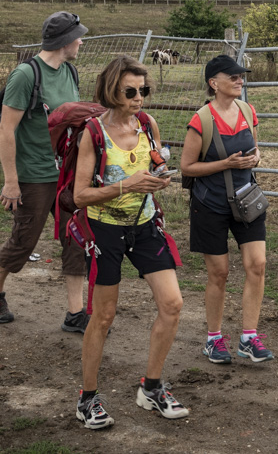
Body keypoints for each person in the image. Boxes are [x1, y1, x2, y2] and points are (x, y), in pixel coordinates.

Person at [74, 55, 186, 429]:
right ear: (112, 90)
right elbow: (80, 196)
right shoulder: (92, 133)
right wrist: (128, 184)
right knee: (103, 316)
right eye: (131, 91)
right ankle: (87, 399)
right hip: (104, 228)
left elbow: (153, 167)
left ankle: (150, 388)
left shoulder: (147, 124)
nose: (140, 97)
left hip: (145, 223)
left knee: (172, 304)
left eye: (145, 90)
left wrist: (158, 179)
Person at [0, 11, 92, 334]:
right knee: (25, 239)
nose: (81, 41)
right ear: (64, 41)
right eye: (78, 36)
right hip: (33, 174)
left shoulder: (70, 72)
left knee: (75, 238)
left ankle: (75, 312)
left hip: (68, 174)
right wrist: (11, 181)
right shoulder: (25, 75)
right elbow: (6, 130)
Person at [180, 55, 272, 365]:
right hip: (210, 205)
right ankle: (214, 339)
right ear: (213, 83)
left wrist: (255, 158)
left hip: (247, 201)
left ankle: (249, 337)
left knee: (257, 265)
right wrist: (226, 164)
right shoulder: (201, 120)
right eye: (231, 76)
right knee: (219, 273)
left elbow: (255, 148)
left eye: (240, 75)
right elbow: (187, 167)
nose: (239, 80)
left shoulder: (247, 110)